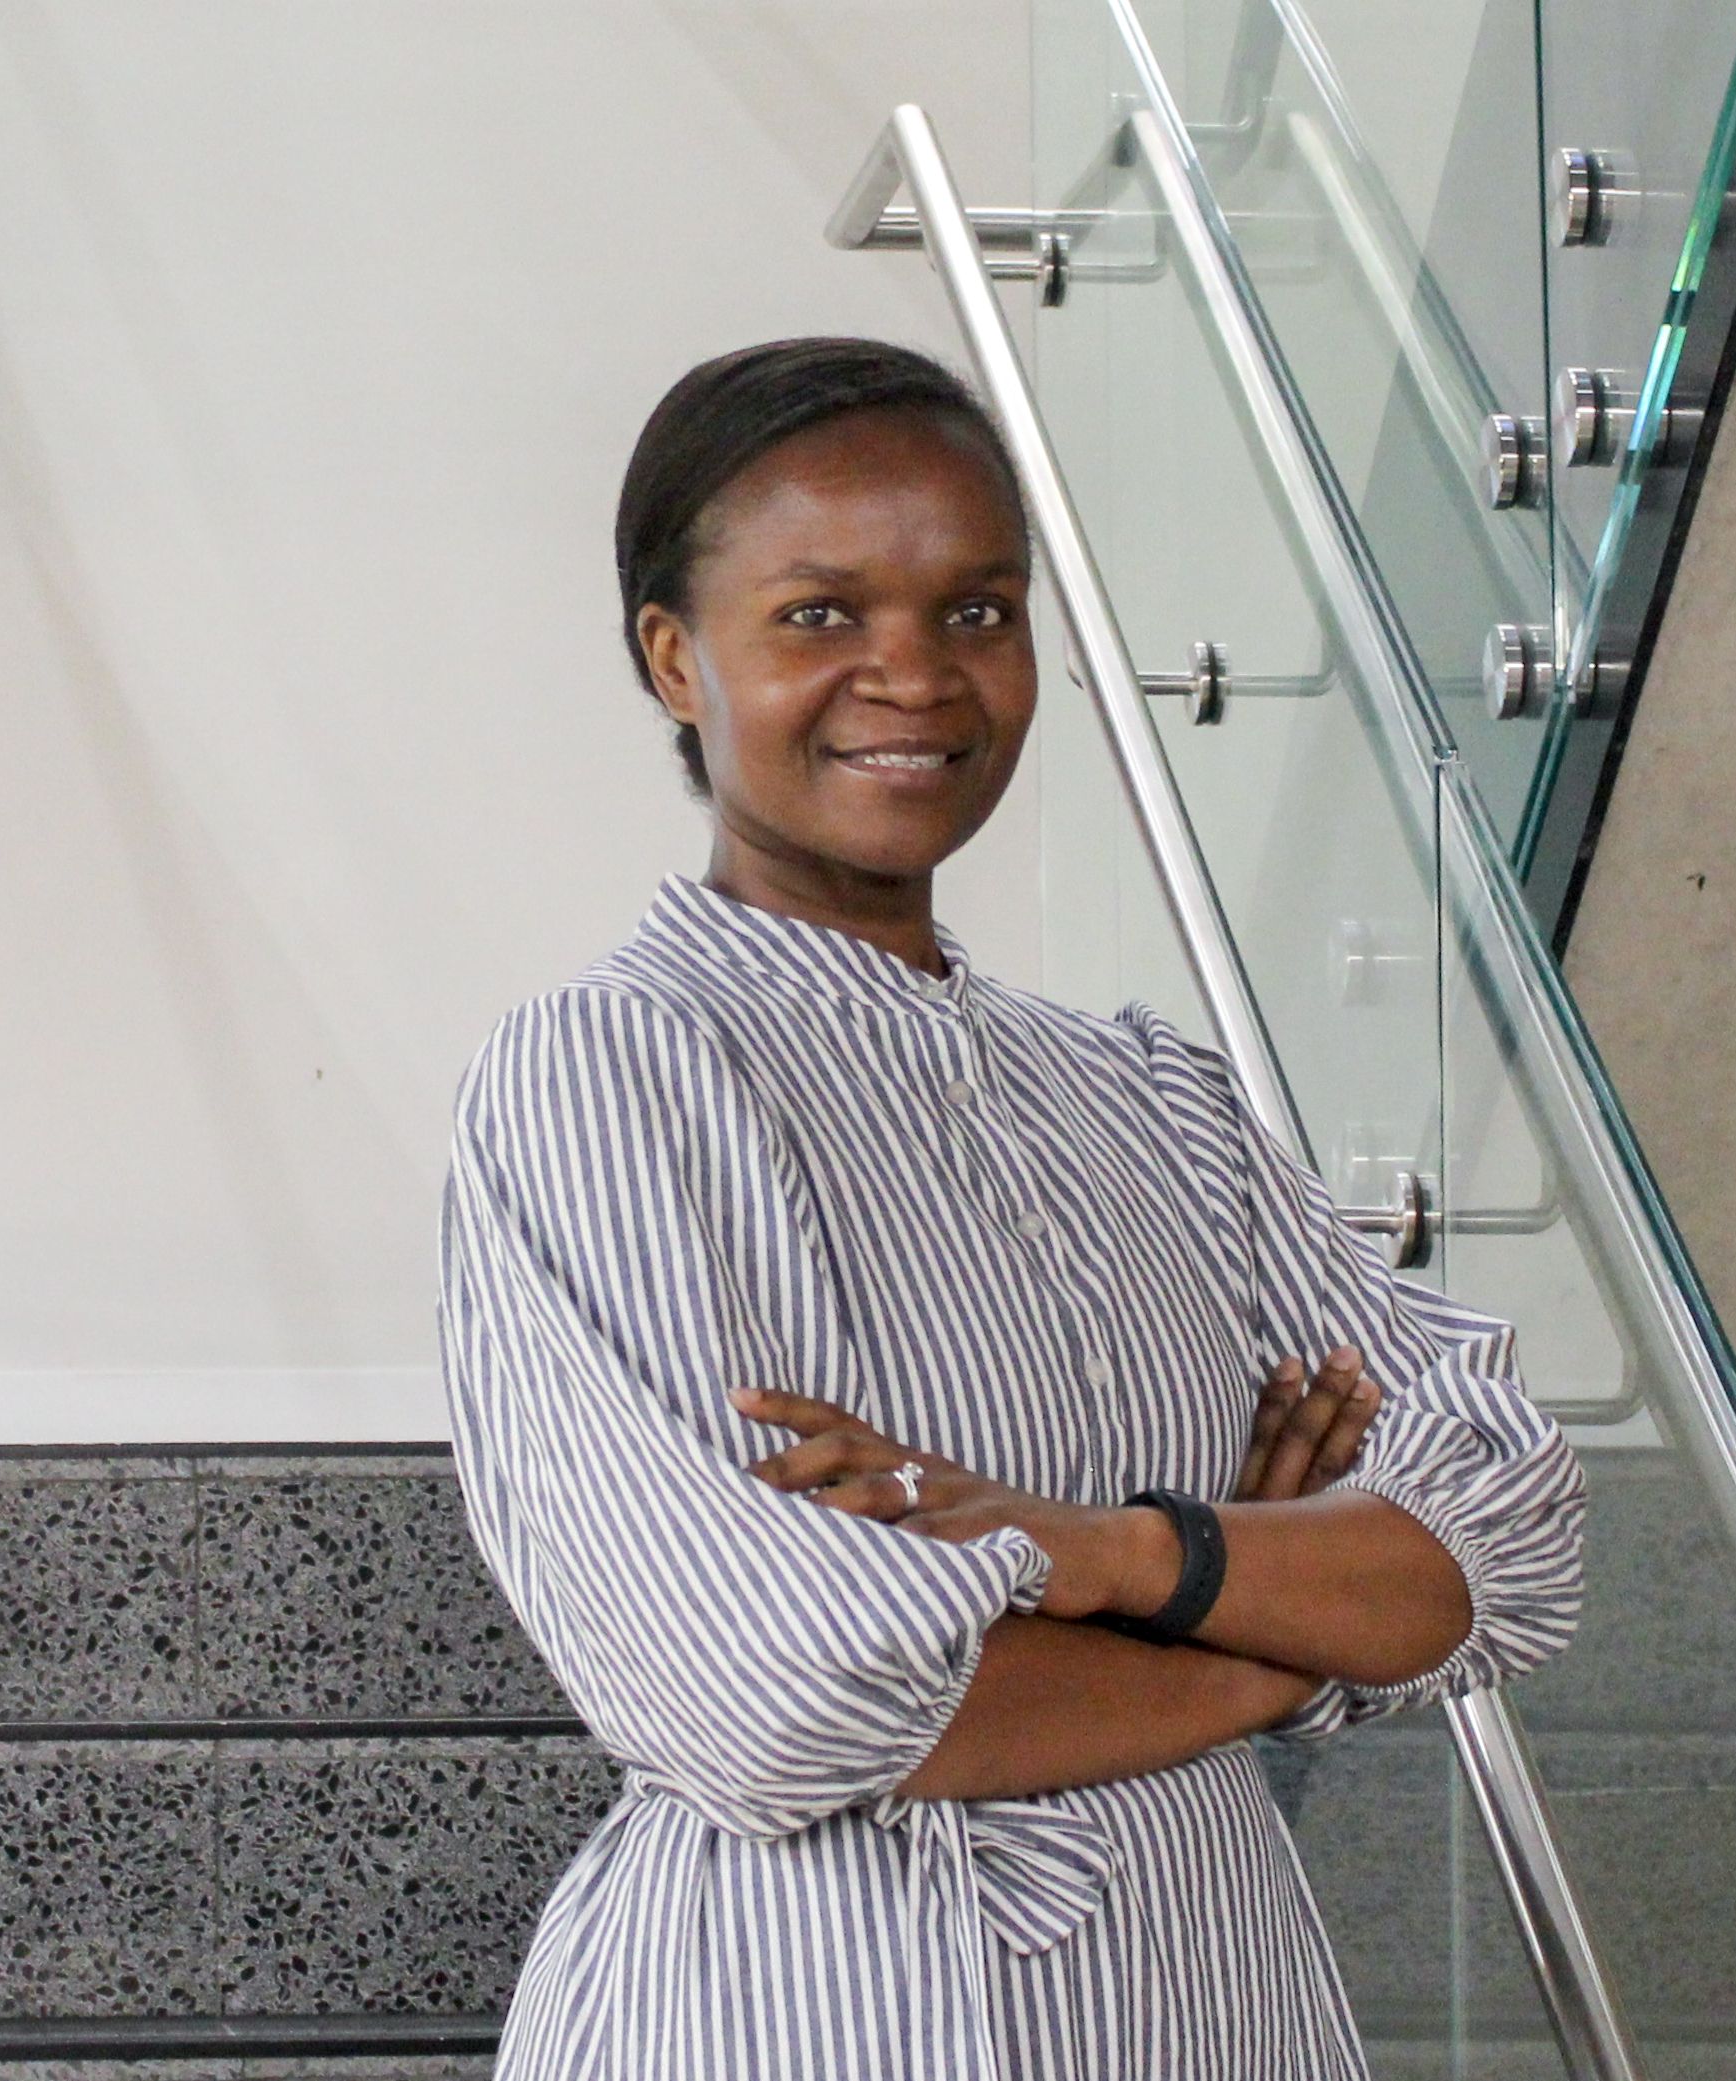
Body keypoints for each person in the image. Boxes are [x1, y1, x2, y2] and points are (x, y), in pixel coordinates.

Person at [441, 336, 1586, 2080]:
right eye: (819, 614)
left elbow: (1504, 1534)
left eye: (975, 611)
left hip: (1219, 1998)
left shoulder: (1149, 1092)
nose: (913, 675)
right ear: (677, 659)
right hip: (821, 2010)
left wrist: (1114, 1553)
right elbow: (781, 1691)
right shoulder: (611, 1077)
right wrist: (1276, 1641)